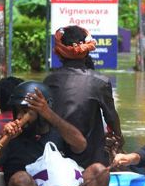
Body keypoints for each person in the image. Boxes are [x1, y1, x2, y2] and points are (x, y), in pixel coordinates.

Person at [0, 81, 109, 186]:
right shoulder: (10, 137)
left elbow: (81, 144)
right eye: (18, 112)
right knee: (20, 179)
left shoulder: (58, 133)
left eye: (26, 112)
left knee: (100, 171)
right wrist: (5, 139)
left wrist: (48, 114)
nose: (20, 117)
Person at [44, 25, 124, 168]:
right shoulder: (100, 82)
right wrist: (120, 140)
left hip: (54, 156)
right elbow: (111, 118)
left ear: (59, 53)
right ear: (86, 52)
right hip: (90, 160)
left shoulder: (49, 81)